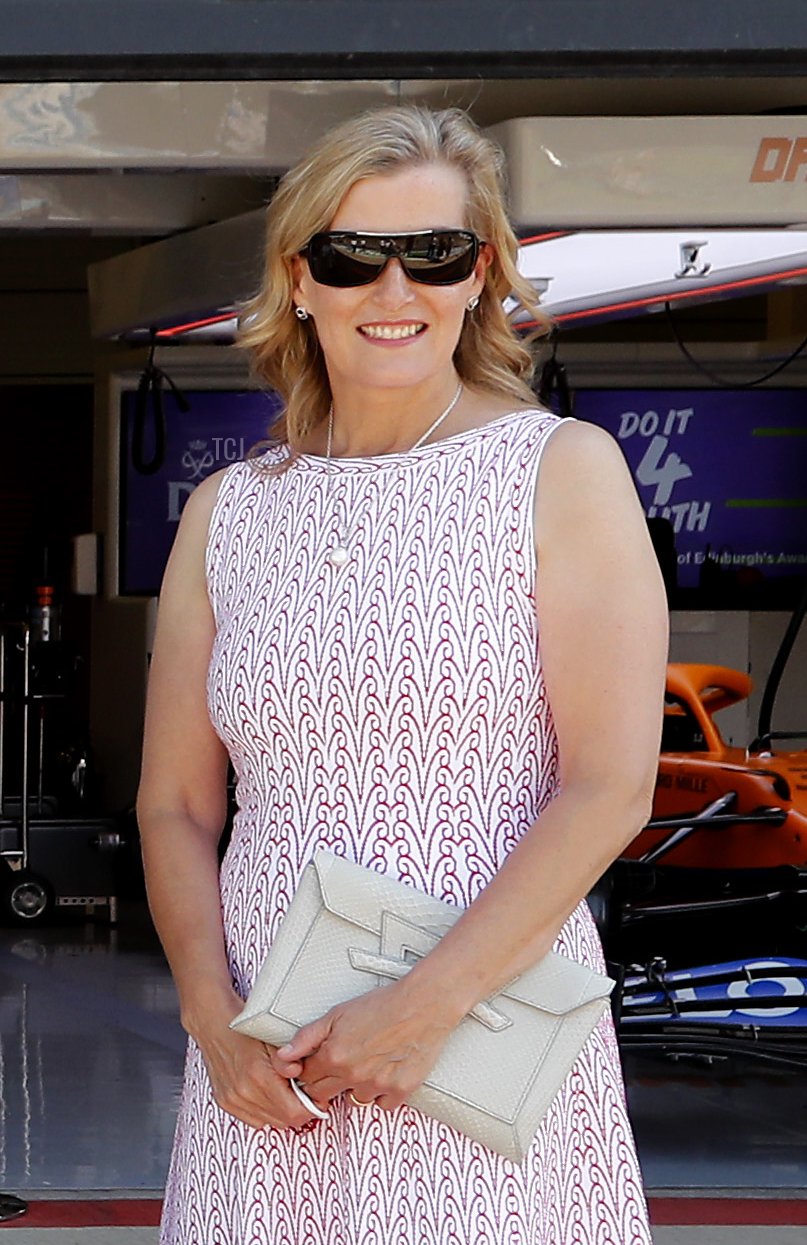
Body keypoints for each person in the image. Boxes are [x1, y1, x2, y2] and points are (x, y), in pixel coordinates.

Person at [137, 105, 668, 1245]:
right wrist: (209, 1018)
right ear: (300, 278)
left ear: (481, 276)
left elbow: (611, 784)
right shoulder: (230, 514)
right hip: (263, 1068)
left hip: (484, 1042)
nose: (395, 290)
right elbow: (176, 803)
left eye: (433, 254)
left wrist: (420, 1011)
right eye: (352, 254)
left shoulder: (562, 474)